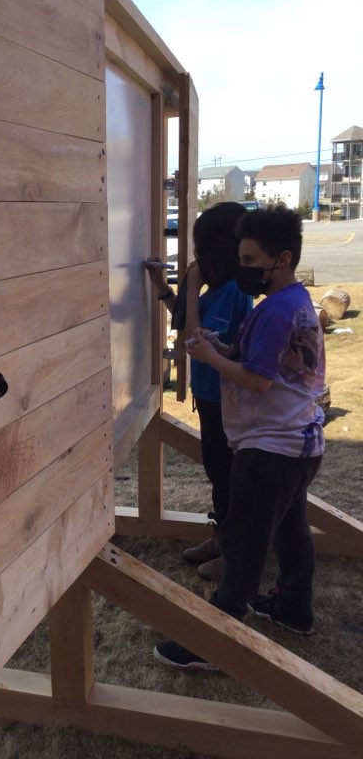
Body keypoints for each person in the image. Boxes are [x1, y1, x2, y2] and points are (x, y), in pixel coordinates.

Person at [154, 204, 325, 670]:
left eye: (251, 261)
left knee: (245, 544)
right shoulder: (292, 303)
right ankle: (293, 607)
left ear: (282, 258)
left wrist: (210, 358)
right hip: (299, 443)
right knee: (290, 531)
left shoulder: (276, 311)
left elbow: (257, 381)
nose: (244, 268)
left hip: (270, 447)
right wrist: (221, 347)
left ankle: (218, 645)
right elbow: (260, 363)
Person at [145, 202, 252, 581]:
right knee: (216, 469)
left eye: (200, 245)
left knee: (226, 474)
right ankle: (220, 537)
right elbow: (190, 320)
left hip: (226, 400)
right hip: (209, 397)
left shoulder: (233, 292)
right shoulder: (219, 288)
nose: (195, 254)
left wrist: (191, 286)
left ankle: (234, 553)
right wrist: (164, 288)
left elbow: (195, 341)